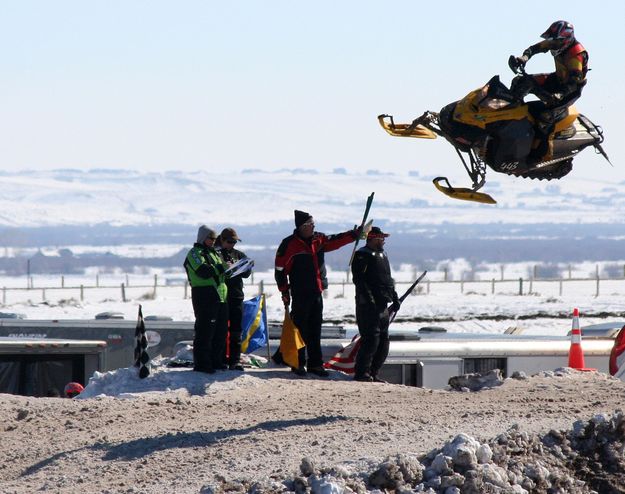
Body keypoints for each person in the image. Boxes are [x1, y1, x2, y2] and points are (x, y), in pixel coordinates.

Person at [275, 210, 361, 377]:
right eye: (310, 224)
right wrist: (284, 291)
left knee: (315, 329)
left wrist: (354, 234)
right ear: (301, 226)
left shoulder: (318, 239)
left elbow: (336, 240)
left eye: (313, 223)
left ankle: (315, 364)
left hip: (316, 291)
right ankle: (298, 363)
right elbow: (280, 270)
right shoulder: (289, 244)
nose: (313, 226)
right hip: (300, 293)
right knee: (300, 329)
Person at [509, 20, 589, 162]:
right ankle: (510, 117)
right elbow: (534, 48)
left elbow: (573, 82)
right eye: (552, 41)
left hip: (569, 90)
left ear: (566, 40)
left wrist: (560, 94)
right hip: (556, 79)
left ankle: (541, 155)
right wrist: (523, 58)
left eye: (555, 41)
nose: (552, 44)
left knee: (545, 118)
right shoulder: (557, 43)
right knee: (521, 82)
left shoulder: (576, 55)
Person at [351, 226, 399, 383]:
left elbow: (387, 279)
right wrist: (369, 299)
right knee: (371, 340)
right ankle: (361, 373)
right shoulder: (361, 255)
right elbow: (360, 281)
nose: (383, 241)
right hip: (367, 306)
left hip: (383, 304)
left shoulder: (383, 255)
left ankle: (374, 372)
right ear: (371, 238)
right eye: (380, 238)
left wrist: (395, 296)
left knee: (384, 342)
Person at [183, 225, 229, 374]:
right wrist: (221, 268)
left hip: (220, 296)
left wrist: (230, 269)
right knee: (205, 331)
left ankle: (216, 361)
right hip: (204, 295)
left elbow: (222, 271)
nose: (213, 241)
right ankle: (202, 364)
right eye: (211, 238)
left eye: (215, 239)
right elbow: (203, 271)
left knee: (220, 332)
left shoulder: (214, 253)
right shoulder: (195, 253)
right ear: (203, 237)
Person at [216, 227, 252, 371]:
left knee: (236, 331)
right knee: (222, 330)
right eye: (230, 242)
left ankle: (234, 361)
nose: (232, 245)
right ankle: (221, 360)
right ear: (222, 240)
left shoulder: (239, 254)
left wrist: (245, 267)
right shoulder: (215, 253)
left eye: (234, 242)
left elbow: (246, 273)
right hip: (222, 297)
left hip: (236, 295)